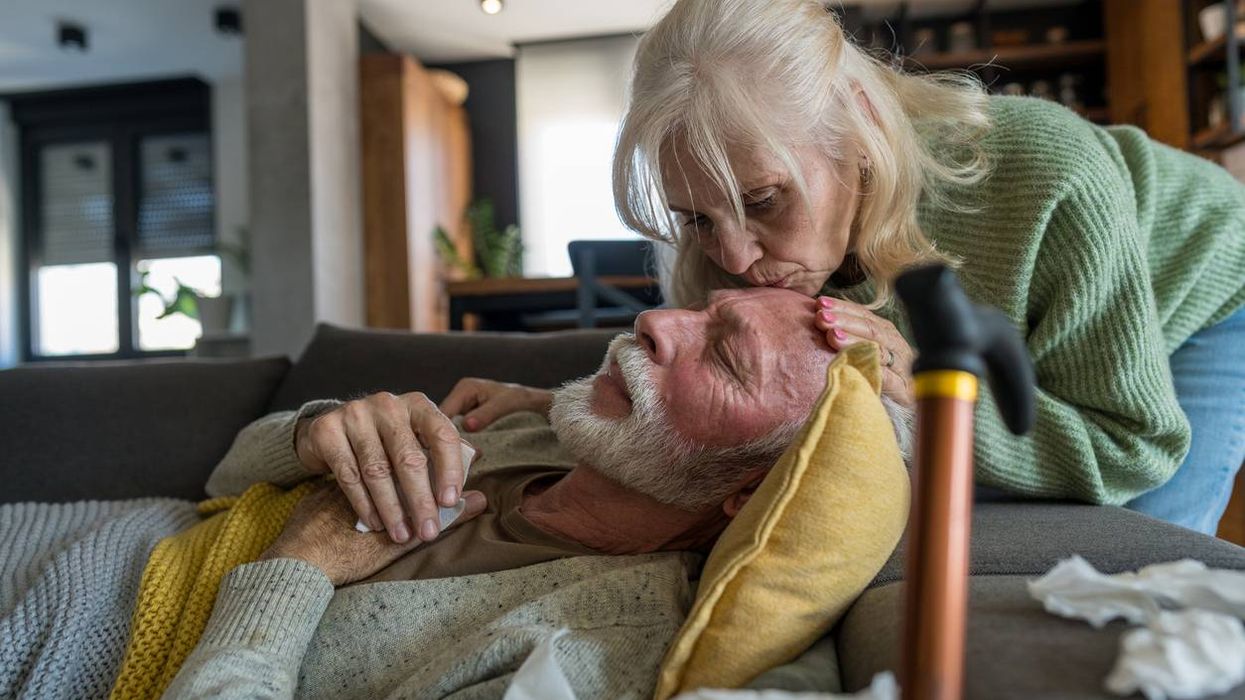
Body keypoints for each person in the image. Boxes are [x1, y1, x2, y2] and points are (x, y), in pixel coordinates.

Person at [609, 0, 1245, 534]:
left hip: (1204, 284)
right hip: (1044, 319)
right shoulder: (722, 208)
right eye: (696, 219)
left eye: (764, 200)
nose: (735, 259)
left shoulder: (1047, 172)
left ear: (856, 130)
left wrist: (929, 395)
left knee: (1145, 561)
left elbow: (1133, 445)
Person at [166, 288, 911, 698]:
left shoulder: (582, 653)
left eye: (722, 353)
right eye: (701, 308)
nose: (653, 321)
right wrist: (317, 433)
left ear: (749, 494)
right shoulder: (522, 430)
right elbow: (223, 476)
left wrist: (295, 568)